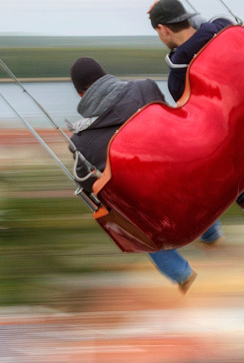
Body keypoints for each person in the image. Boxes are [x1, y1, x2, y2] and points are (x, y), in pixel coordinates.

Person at [65, 56, 218, 295]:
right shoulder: (145, 87)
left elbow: (87, 185)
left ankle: (182, 274)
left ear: (80, 94)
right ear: (105, 75)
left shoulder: (80, 141)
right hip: (186, 177)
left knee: (135, 224)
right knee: (188, 181)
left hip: (155, 208)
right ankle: (212, 235)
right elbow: (170, 121)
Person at [148, 0, 244, 217]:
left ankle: (242, 194)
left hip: (237, 134)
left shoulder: (178, 75)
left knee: (209, 137)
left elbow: (195, 117)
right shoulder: (222, 28)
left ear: (163, 29)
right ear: (186, 19)